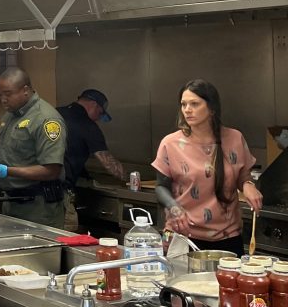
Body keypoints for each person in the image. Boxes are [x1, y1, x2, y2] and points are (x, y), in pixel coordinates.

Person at [152, 79, 262, 255]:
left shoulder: (235, 139)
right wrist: (173, 207)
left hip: (227, 237)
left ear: (212, 108)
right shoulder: (170, 143)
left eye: (194, 104)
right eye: (183, 104)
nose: (187, 109)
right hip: (181, 236)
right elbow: (160, 187)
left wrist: (248, 186)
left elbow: (243, 176)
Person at [0, 68, 67, 228]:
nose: (3, 100)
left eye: (8, 94)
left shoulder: (46, 119)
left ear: (25, 90)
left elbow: (51, 170)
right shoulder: (10, 115)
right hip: (11, 203)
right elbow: (17, 151)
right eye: (0, 94)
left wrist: (8, 170)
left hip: (38, 208)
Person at [57, 89, 125, 232]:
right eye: (100, 114)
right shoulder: (87, 125)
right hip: (60, 195)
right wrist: (129, 178)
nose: (98, 119)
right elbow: (109, 164)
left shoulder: (55, 113)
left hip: (37, 191)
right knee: (66, 238)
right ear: (94, 105)